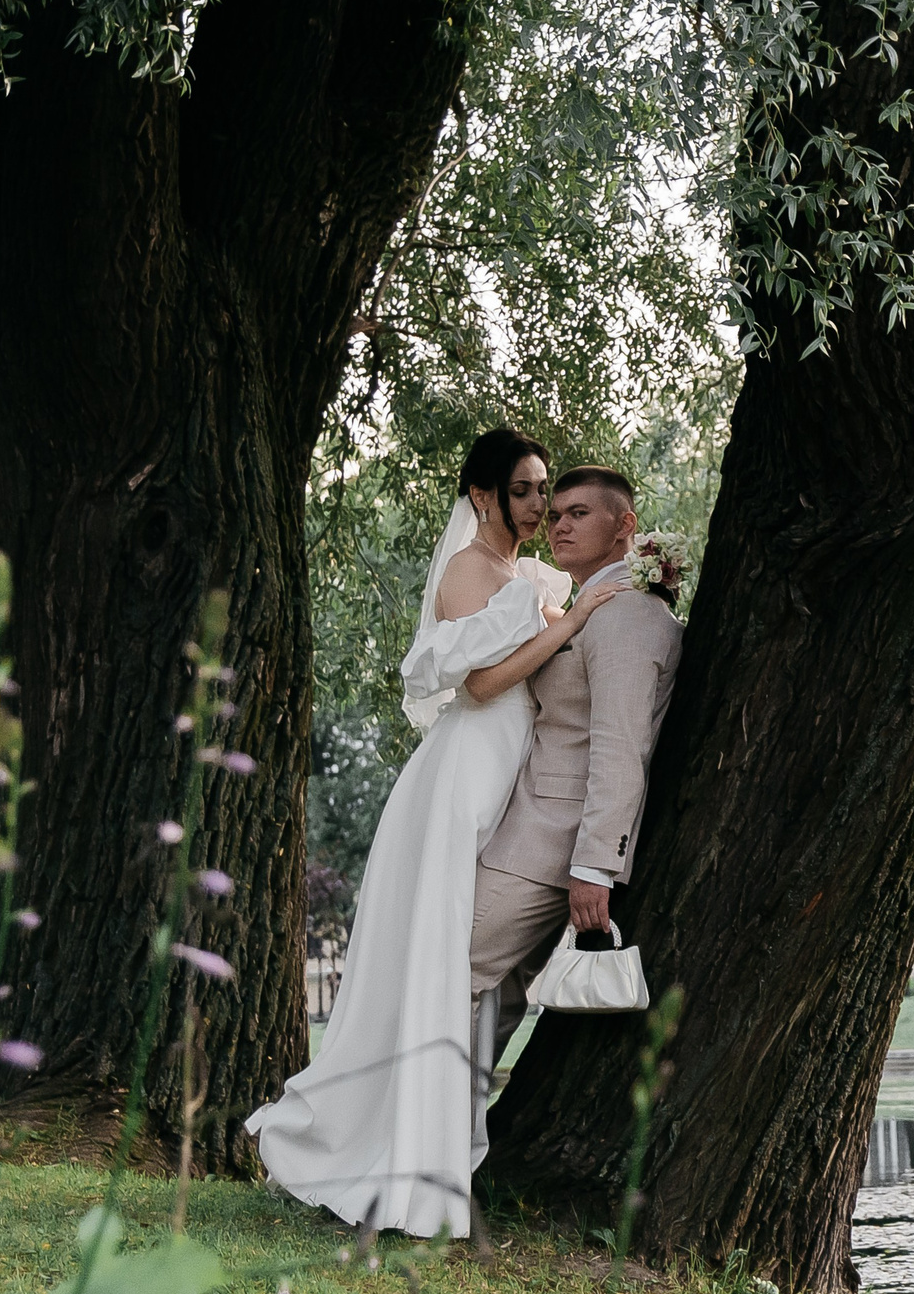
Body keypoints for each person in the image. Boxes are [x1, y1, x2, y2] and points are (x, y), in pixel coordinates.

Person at [250, 430, 621, 1238]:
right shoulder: (468, 572)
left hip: (510, 770)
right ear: (483, 496)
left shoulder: (529, 576)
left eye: (543, 490)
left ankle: (432, 1149)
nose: (536, 506)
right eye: (523, 491)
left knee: (463, 960)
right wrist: (574, 614)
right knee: (443, 948)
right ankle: (370, 1148)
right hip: (465, 771)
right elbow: (484, 681)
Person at [467, 466, 686, 1184]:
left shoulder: (630, 614)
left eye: (580, 512)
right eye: (553, 512)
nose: (558, 524)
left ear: (625, 526)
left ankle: (430, 1153)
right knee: (484, 997)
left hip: (549, 845)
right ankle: (437, 1153)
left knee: (449, 974)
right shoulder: (589, 605)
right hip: (521, 828)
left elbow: (622, 747)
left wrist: (596, 865)